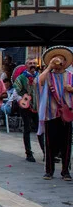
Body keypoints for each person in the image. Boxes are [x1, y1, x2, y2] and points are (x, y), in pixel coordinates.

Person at [37, 45, 73, 181]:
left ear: (65, 62)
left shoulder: (70, 76)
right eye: (55, 58)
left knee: (66, 144)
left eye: (60, 59)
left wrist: (71, 89)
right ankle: (49, 170)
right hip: (50, 113)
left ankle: (65, 171)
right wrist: (49, 67)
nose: (58, 61)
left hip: (66, 113)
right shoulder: (48, 75)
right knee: (50, 143)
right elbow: (39, 82)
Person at [14, 57, 45, 163]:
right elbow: (16, 93)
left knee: (40, 130)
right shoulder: (21, 78)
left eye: (34, 63)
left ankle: (46, 152)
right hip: (26, 107)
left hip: (38, 107)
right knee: (27, 129)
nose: (32, 65)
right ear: (26, 65)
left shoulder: (40, 76)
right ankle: (29, 153)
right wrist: (22, 102)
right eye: (30, 63)